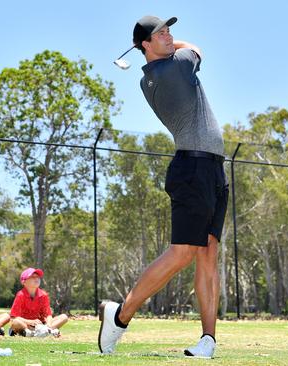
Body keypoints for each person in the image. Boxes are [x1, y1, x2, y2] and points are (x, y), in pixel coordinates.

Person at [98, 16, 228, 358]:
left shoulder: (152, 76)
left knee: (208, 251)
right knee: (184, 252)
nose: (170, 36)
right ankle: (120, 316)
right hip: (193, 168)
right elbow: (196, 47)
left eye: (170, 31)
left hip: (211, 167)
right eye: (162, 33)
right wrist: (177, 44)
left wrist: (163, 44)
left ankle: (207, 341)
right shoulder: (176, 67)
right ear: (144, 45)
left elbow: (178, 49)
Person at [9, 268, 68, 337]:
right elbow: (14, 317)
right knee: (16, 322)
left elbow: (48, 315)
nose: (36, 279)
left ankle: (45, 331)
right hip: (25, 325)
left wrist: (48, 324)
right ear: (24, 282)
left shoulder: (43, 295)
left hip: (40, 326)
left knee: (64, 317)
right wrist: (30, 322)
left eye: (37, 277)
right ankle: (45, 332)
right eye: (32, 277)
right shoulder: (20, 295)